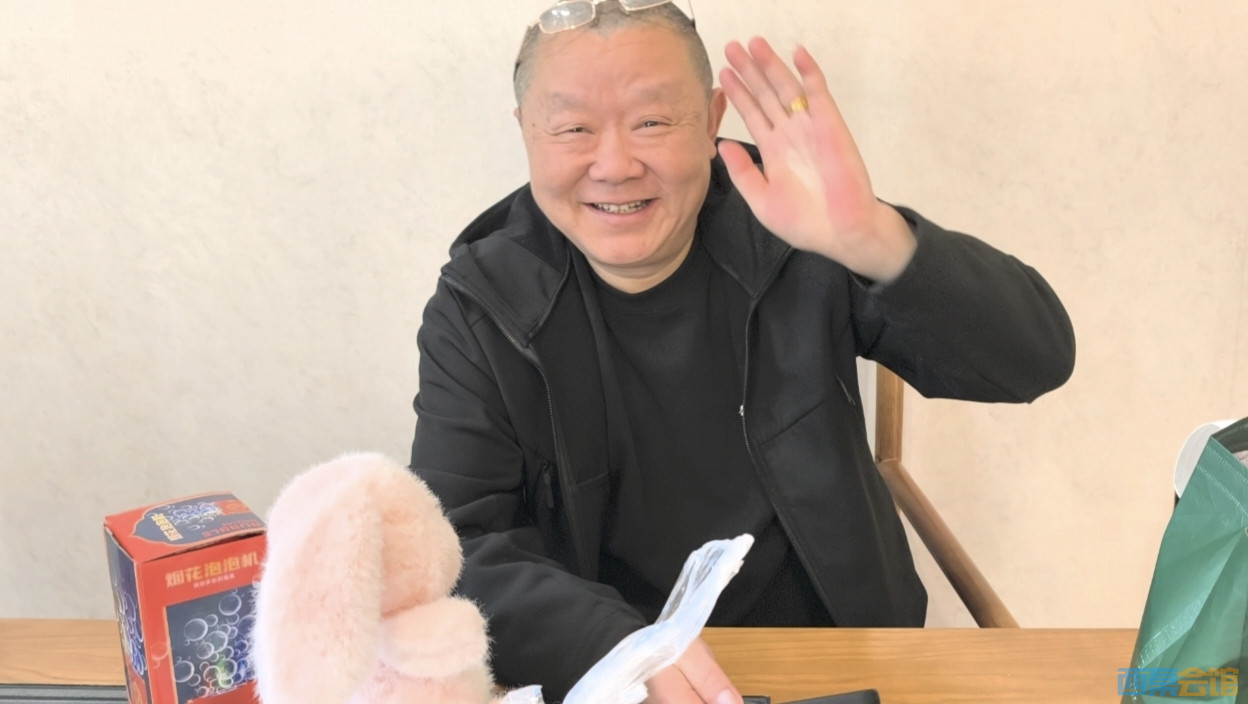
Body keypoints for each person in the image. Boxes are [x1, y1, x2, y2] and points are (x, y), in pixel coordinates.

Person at [409, 2, 1075, 703]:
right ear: (526, 132)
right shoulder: (479, 306)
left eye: (653, 121)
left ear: (711, 119)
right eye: (574, 128)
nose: (615, 166)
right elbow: (453, 544)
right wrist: (616, 648)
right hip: (616, 675)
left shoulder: (795, 223)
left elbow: (1035, 361)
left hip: (834, 657)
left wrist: (873, 239)